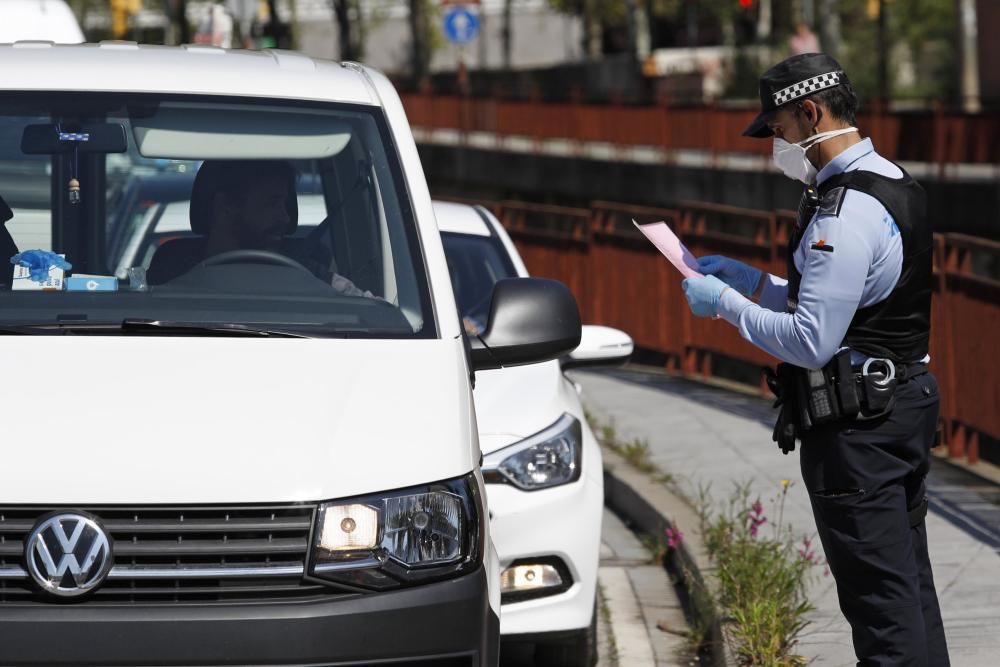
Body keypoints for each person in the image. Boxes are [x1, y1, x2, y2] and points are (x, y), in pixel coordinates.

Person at [681, 53, 949, 666]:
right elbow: (843, 306)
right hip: (900, 405)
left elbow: (810, 340)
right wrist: (752, 282)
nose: (775, 142)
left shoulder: (843, 211)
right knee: (909, 591)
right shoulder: (893, 182)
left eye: (778, 128)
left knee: (882, 610)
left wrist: (723, 305)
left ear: (810, 112)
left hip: (861, 431)